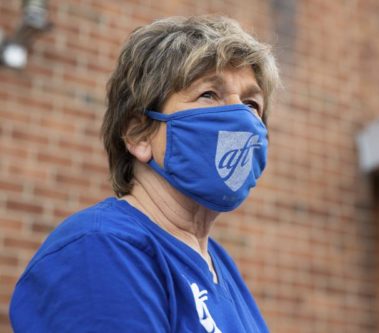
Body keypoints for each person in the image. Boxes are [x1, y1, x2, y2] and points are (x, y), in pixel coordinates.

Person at [10, 15, 280, 332]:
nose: (240, 117)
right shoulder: (101, 249)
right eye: (209, 94)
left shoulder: (221, 267)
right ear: (139, 135)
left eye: (251, 103)